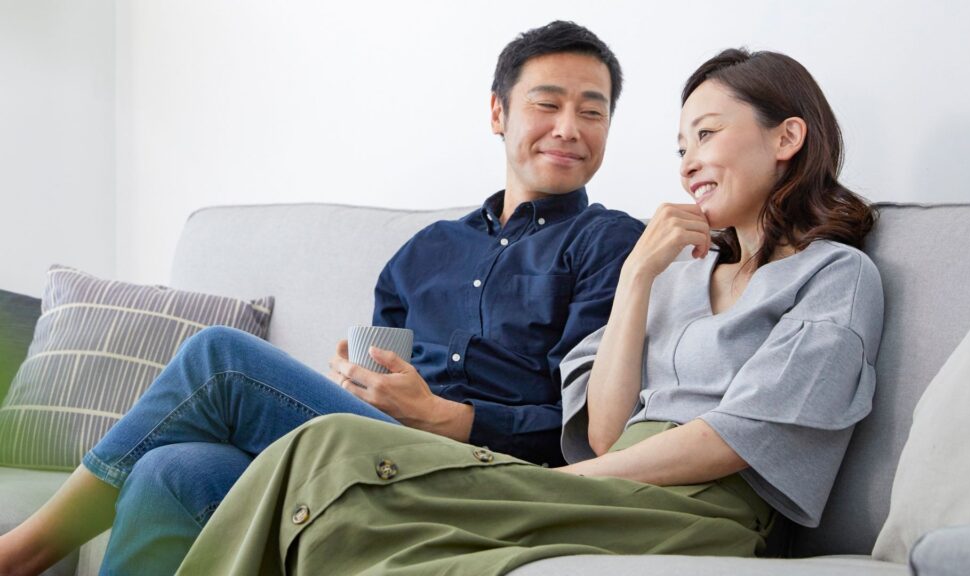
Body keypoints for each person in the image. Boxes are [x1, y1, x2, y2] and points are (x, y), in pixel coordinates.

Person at [175, 47, 884, 576]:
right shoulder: (674, 273)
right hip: (615, 480)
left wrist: (555, 481)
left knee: (328, 447)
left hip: (701, 510)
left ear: (786, 139)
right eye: (679, 145)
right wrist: (638, 275)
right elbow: (606, 435)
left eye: (705, 134)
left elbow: (736, 440)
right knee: (334, 500)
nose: (688, 161)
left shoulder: (835, 277)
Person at [0, 21, 645, 576]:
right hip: (375, 451)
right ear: (499, 113)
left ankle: (23, 554)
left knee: (219, 357)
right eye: (548, 104)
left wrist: (452, 418)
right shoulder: (426, 250)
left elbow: (587, 426)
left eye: (592, 111)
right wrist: (364, 385)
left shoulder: (611, 243)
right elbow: (382, 376)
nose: (569, 129)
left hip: (486, 473)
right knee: (172, 469)